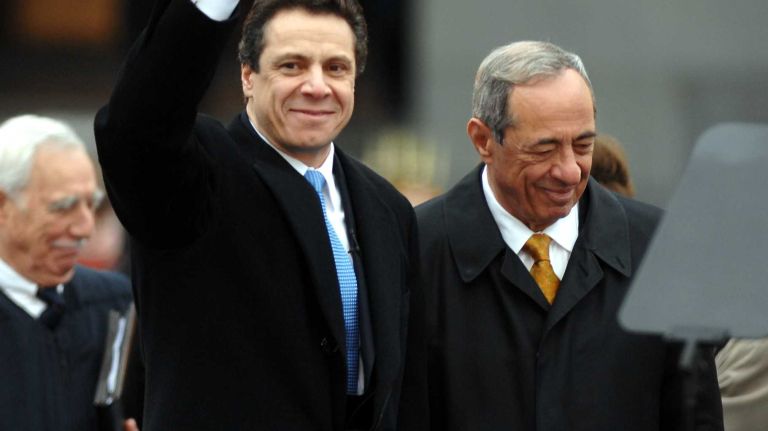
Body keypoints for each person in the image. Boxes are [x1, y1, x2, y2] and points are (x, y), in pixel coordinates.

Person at [93, 0, 424, 430]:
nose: (317, 86)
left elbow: (405, 387)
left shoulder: (387, 208)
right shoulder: (200, 174)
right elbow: (137, 128)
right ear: (248, 76)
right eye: (292, 66)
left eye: (336, 68)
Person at [415, 41, 723, 430]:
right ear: (483, 141)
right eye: (544, 149)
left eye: (583, 145)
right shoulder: (415, 251)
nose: (569, 171)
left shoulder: (660, 251)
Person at [0, 114, 133, 431]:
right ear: (3, 206)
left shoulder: (114, 305)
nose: (85, 228)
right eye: (63, 207)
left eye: (91, 204)